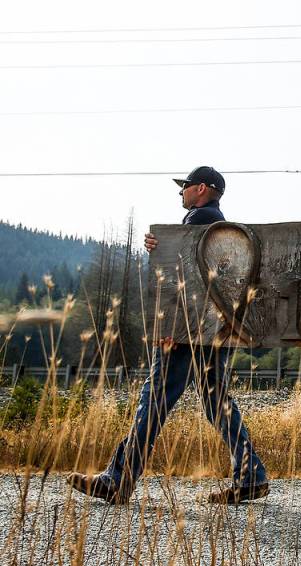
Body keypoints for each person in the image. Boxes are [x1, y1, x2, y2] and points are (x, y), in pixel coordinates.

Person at [67, 166, 270, 504]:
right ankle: (251, 475)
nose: (182, 192)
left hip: (186, 331)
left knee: (155, 399)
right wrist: (159, 246)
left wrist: (170, 326)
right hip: (213, 329)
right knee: (215, 402)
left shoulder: (197, 222)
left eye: (186, 187)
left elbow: (184, 278)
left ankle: (118, 479)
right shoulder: (218, 227)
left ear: (202, 189)